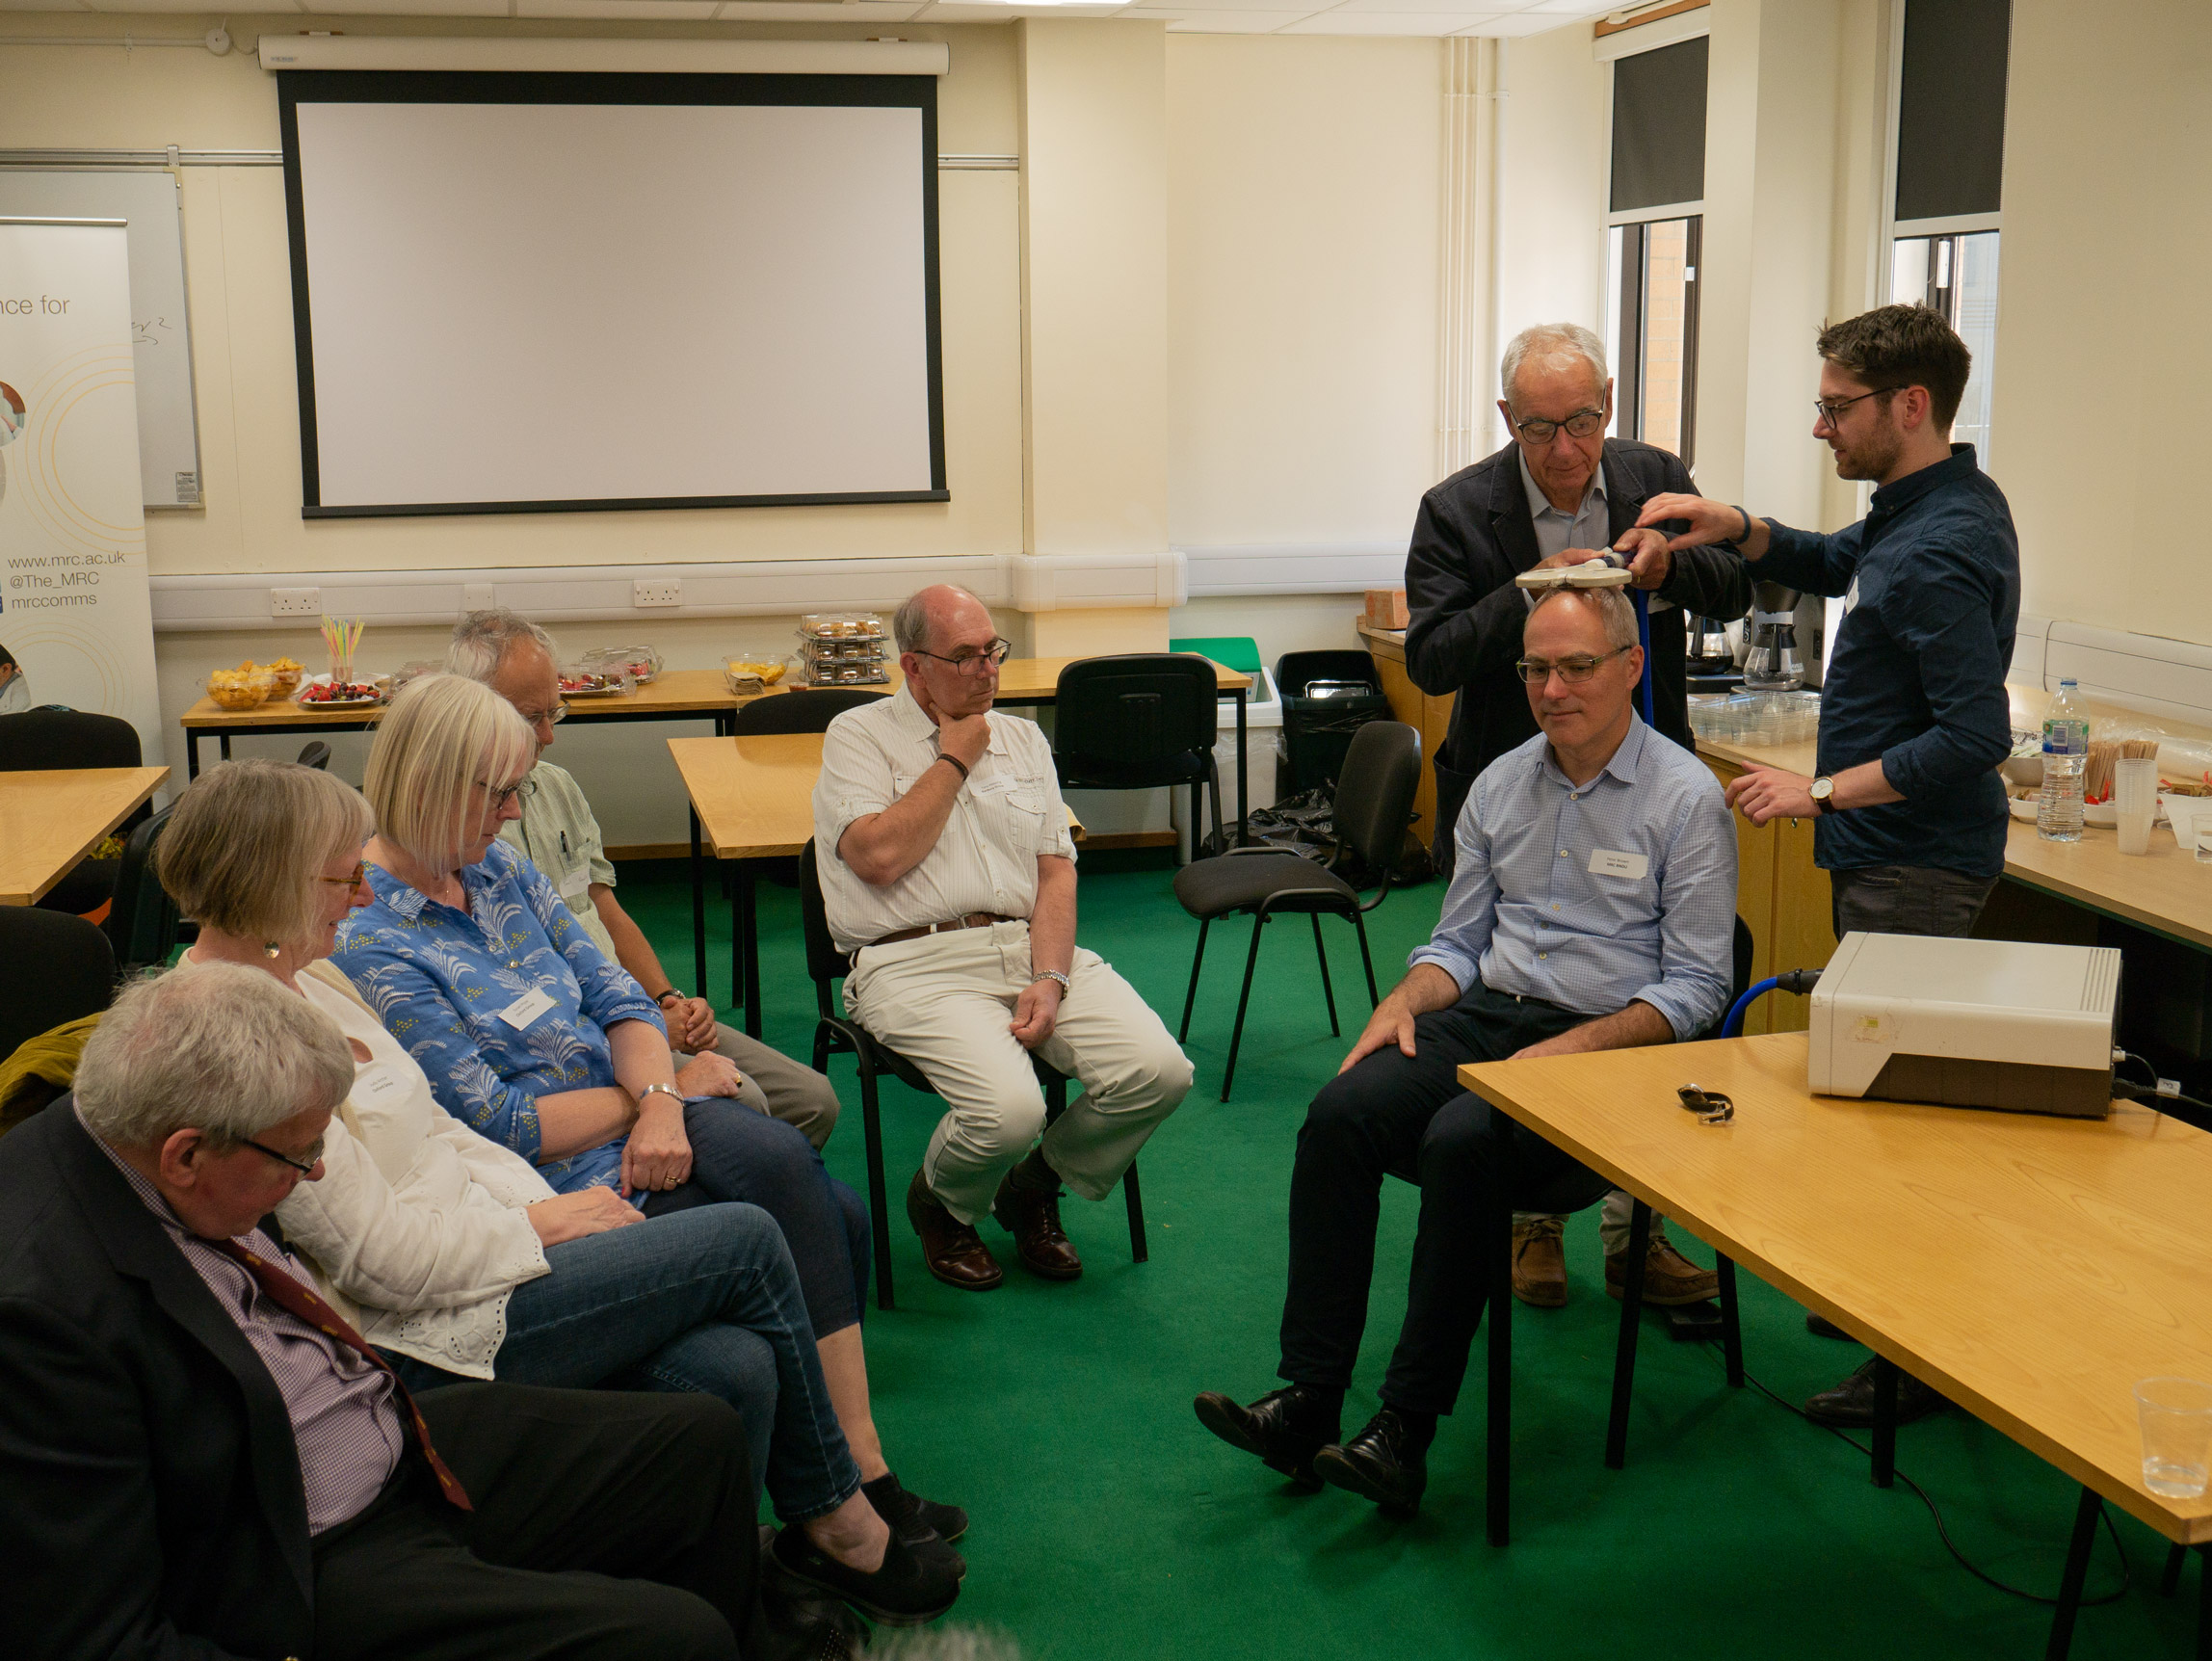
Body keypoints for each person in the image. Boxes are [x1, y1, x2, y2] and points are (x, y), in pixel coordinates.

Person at [155, 757, 958, 1627]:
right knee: (749, 1233)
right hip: (431, 1323)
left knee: (735, 1363)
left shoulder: (309, 979)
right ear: (272, 882)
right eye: (342, 877)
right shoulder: (237, 1042)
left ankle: (730, 1596)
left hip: (491, 1239)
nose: (358, 896)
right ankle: (840, 1525)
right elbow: (373, 1265)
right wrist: (539, 1226)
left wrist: (531, 1202)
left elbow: (441, 1130)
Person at [329, 674, 964, 1573]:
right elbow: (501, 1122)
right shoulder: (374, 934)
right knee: (815, 1207)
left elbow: (617, 994)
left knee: (797, 1180)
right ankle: (844, 1495)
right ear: (432, 783)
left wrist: (664, 1099)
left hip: (638, 1111)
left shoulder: (496, 866)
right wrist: (658, 1096)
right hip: (562, 1168)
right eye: (499, 792)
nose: (514, 813)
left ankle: (851, 1481)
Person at [0, 964, 768, 1661]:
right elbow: (93, 1638)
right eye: (297, 1157)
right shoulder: (42, 1321)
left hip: (388, 1441)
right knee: (677, 1639)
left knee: (700, 1439)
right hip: (304, 1558)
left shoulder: (125, 1126)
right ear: (187, 1155)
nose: (316, 1171)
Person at [1193, 585, 1736, 1516]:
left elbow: (1696, 988)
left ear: (1632, 667)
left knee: (1460, 1143)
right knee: (1340, 1114)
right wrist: (1402, 998)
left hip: (1611, 1053)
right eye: (1535, 668)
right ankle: (1309, 1400)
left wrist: (1578, 1048)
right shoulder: (1499, 781)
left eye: (1577, 667)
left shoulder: (1686, 800)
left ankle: (1404, 1427)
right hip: (1489, 1017)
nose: (1552, 689)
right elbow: (1457, 944)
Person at [1636, 302, 2020, 1429]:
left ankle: (1918, 1364)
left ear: (1910, 406)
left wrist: (1818, 790)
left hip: (1918, 867)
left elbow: (1973, 738)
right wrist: (1734, 524)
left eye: (1836, 407)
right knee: (1881, 1103)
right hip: (1890, 859)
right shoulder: (1925, 504)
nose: (1821, 427)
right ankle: (1889, 1314)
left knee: (1900, 1118)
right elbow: (1833, 558)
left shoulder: (1945, 545)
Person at [1403, 321, 1751, 1306]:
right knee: (1531, 984)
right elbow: (1430, 657)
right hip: (1517, 785)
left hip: (1643, 782)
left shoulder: (1654, 476)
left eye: (1584, 420)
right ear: (1507, 419)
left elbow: (1735, 583)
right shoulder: (1458, 509)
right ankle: (1531, 1221)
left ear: (1609, 406)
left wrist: (1662, 569)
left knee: (1638, 991)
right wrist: (1543, 599)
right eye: (1541, 427)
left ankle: (1633, 1226)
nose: (1565, 448)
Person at [813, 584, 1194, 1289]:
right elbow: (878, 857)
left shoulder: (1023, 737)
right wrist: (953, 758)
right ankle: (943, 1205)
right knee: (1011, 1109)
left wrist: (1050, 975)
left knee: (1159, 1071)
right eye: (965, 657)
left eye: (993, 652)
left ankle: (1035, 1186)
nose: (989, 671)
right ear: (913, 667)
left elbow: (1056, 871)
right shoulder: (858, 736)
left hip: (1024, 947)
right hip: (909, 961)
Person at [450, 607, 843, 1148]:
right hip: (577, 1032)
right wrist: (646, 1026)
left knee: (813, 1100)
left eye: (553, 713)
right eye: (529, 717)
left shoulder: (557, 787)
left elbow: (604, 911)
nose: (549, 736)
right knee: (747, 1102)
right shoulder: (462, 830)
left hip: (627, 1007)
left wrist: (666, 998)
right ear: (470, 710)